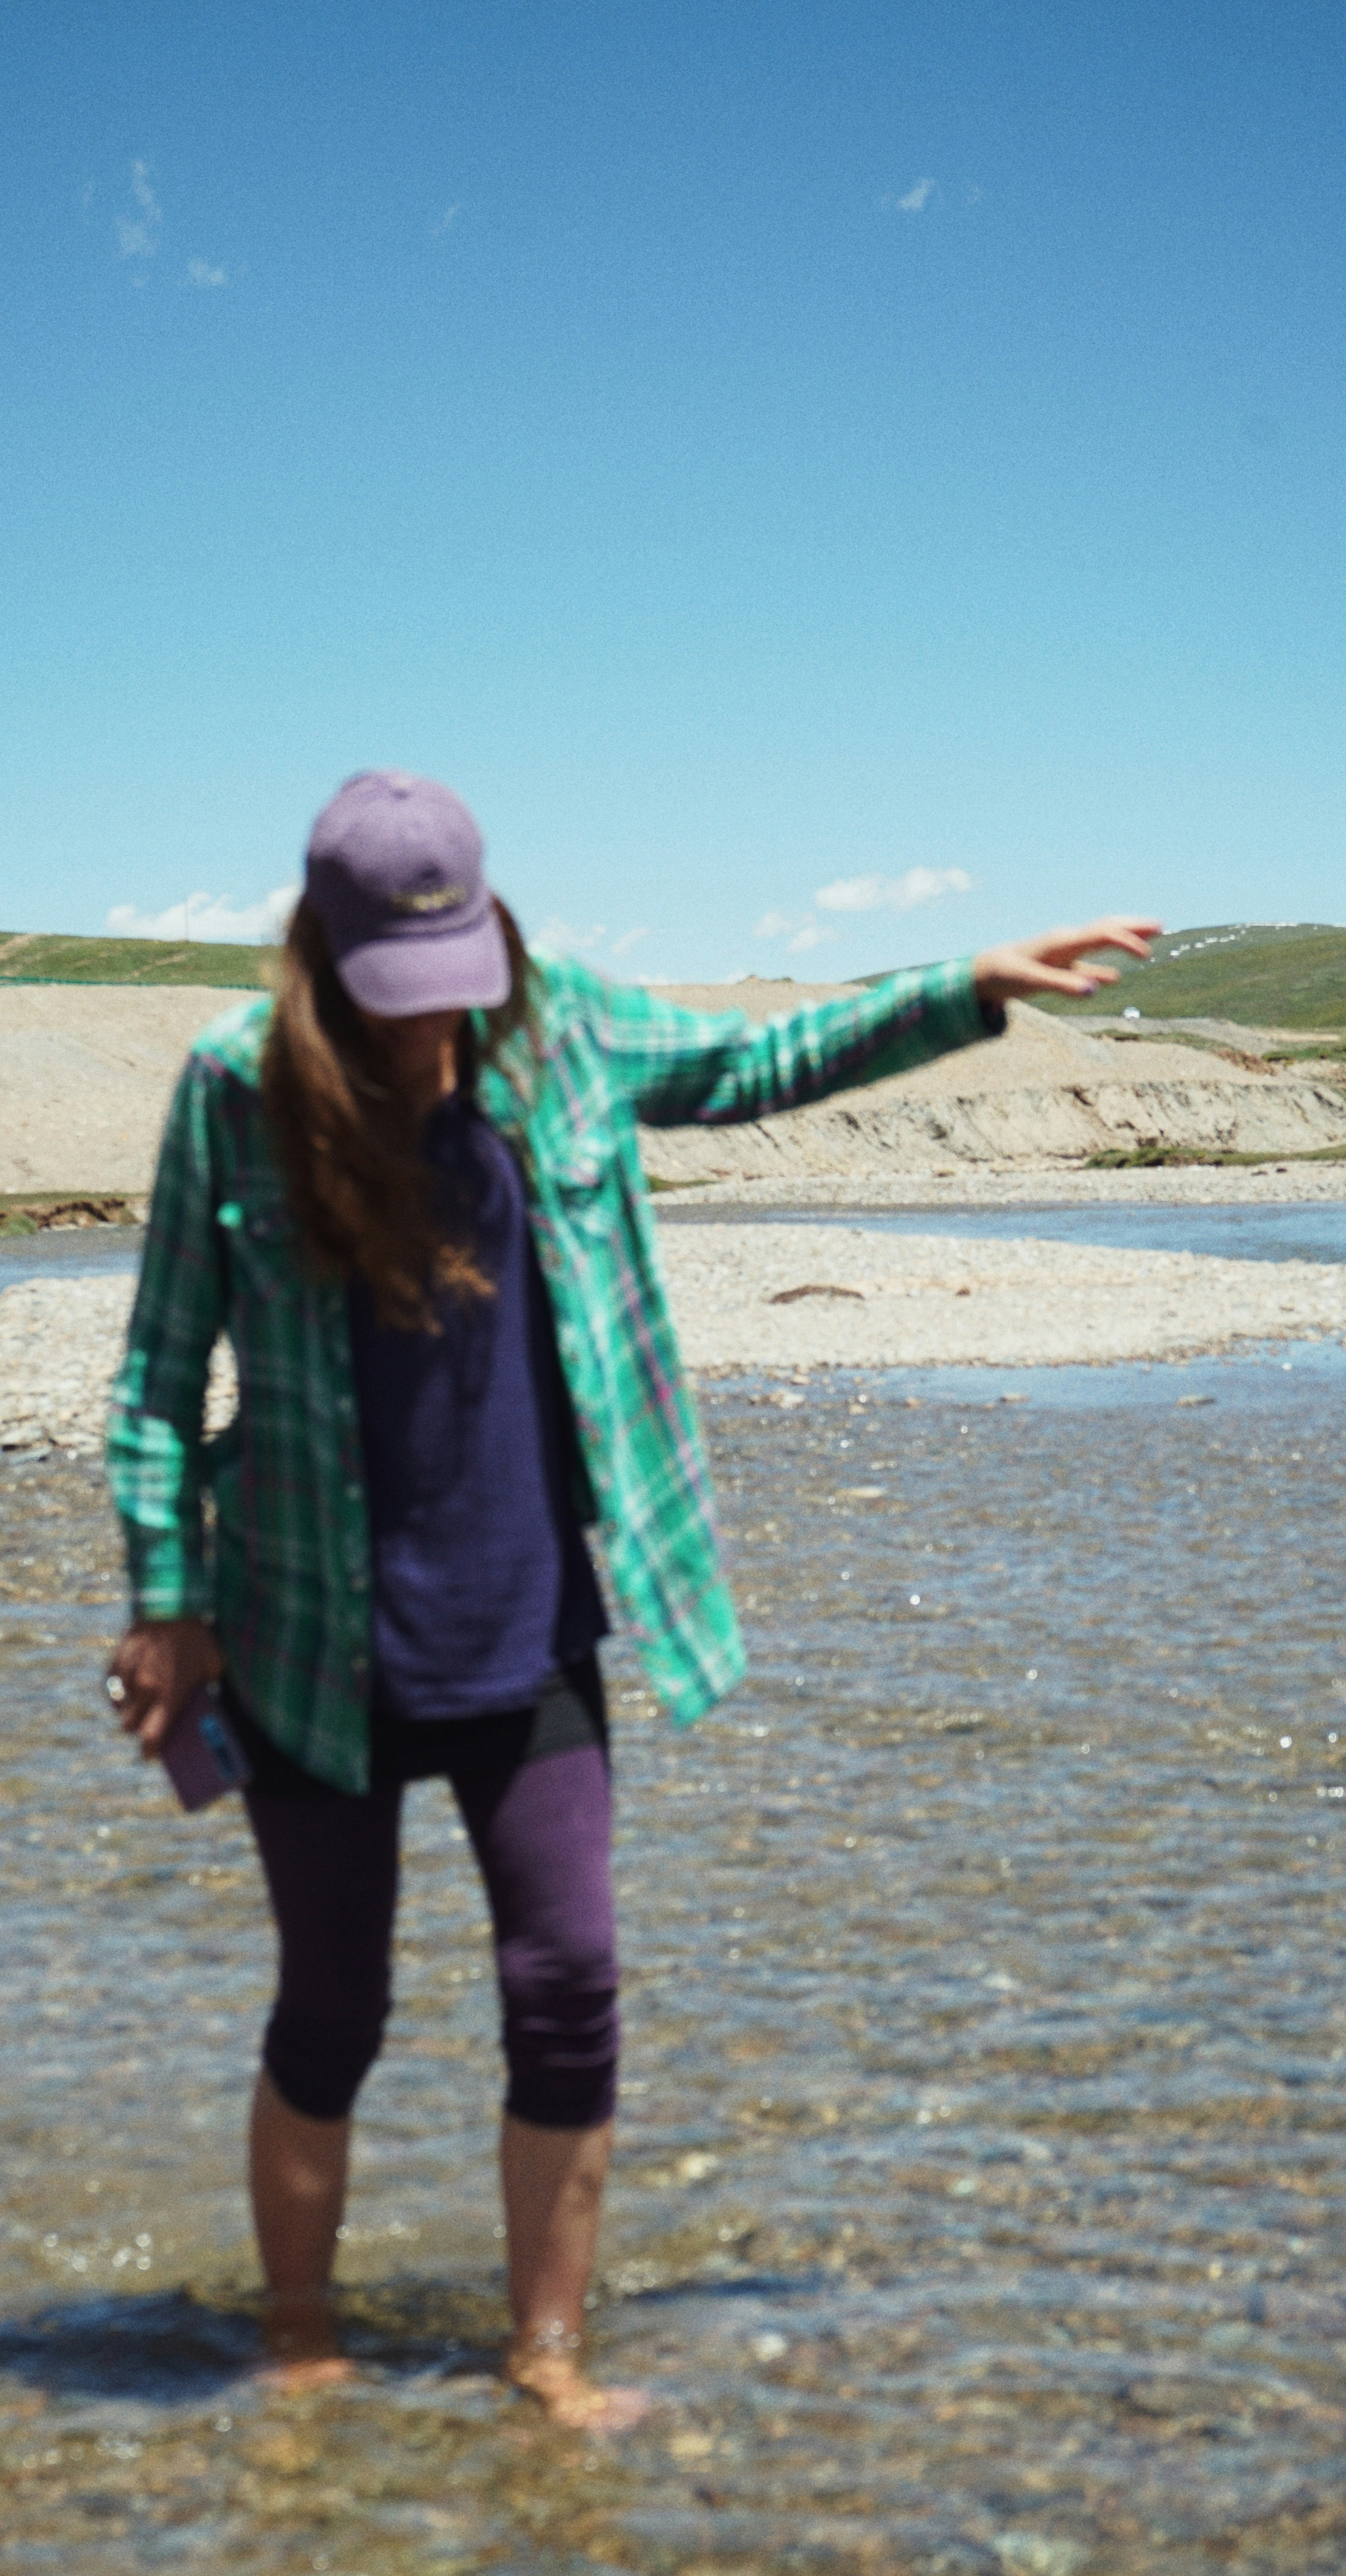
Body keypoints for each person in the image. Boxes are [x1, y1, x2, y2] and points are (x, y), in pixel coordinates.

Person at [104, 769, 1153, 2427]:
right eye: (388, 1000)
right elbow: (158, 1372)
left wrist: (957, 989)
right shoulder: (234, 1092)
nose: (425, 1034)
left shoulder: (563, 1031)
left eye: (448, 991)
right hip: (309, 1639)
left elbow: (750, 1062)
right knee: (332, 2004)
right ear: (317, 960)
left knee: (569, 1988)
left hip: (530, 1625)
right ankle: (299, 2340)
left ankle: (546, 2356)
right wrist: (166, 1601)